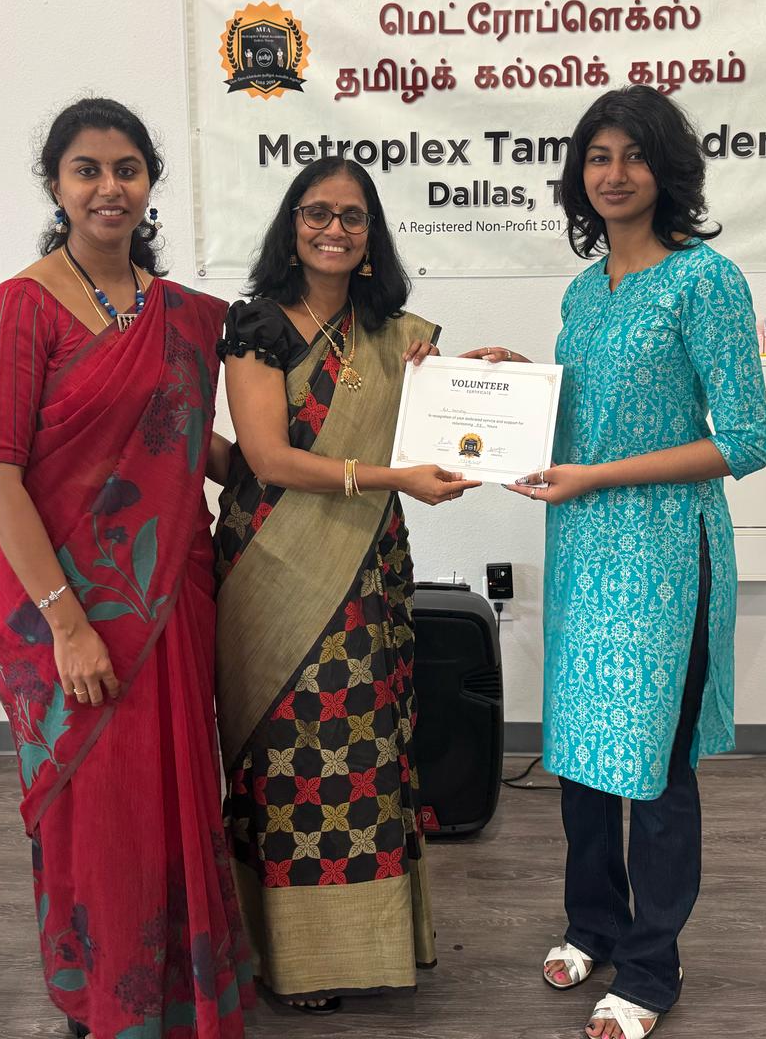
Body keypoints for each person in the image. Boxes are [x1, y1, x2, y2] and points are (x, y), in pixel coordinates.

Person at [467, 86, 766, 1038]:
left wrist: (599, 476)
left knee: (655, 768)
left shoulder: (705, 280)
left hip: (665, 552)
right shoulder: (583, 290)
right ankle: (592, 923)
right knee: (584, 755)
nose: (614, 173)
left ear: (666, 168)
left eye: (634, 154)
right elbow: (590, 412)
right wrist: (517, 382)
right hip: (582, 549)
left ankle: (649, 967)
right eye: (597, 156)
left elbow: (746, 441)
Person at [0, 98, 253, 1039]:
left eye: (127, 169)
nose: (109, 187)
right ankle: (107, 1003)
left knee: (175, 797)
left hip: (171, 597)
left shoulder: (183, 314)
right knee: (99, 812)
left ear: (150, 184)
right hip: (76, 613)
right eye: (87, 169)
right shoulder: (16, 309)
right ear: (55, 185)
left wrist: (402, 408)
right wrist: (68, 624)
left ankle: (179, 993)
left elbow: (194, 441)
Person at [213, 157, 479, 1013]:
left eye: (352, 216)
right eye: (317, 212)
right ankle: (289, 959)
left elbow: (436, 423)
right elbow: (266, 460)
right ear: (292, 225)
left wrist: (479, 380)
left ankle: (375, 942)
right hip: (273, 563)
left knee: (367, 747)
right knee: (286, 756)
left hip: (368, 566)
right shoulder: (257, 323)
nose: (334, 229)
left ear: (372, 233)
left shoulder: (393, 334)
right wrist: (393, 479)